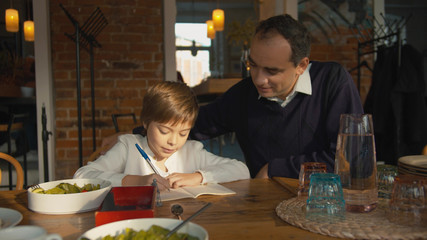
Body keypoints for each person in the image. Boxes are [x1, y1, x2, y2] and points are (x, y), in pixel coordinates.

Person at [102, 14, 363, 179]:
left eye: (272, 71)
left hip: (327, 202)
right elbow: (195, 125)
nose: (259, 79)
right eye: (253, 65)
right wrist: (137, 133)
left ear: (302, 66)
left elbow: (353, 159)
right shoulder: (244, 94)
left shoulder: (333, 82)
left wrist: (275, 168)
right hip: (263, 203)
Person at [74, 81, 250, 190]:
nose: (173, 141)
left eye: (183, 133)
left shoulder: (191, 151)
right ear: (145, 122)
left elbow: (241, 170)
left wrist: (198, 177)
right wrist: (135, 181)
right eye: (164, 131)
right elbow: (82, 176)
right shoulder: (129, 147)